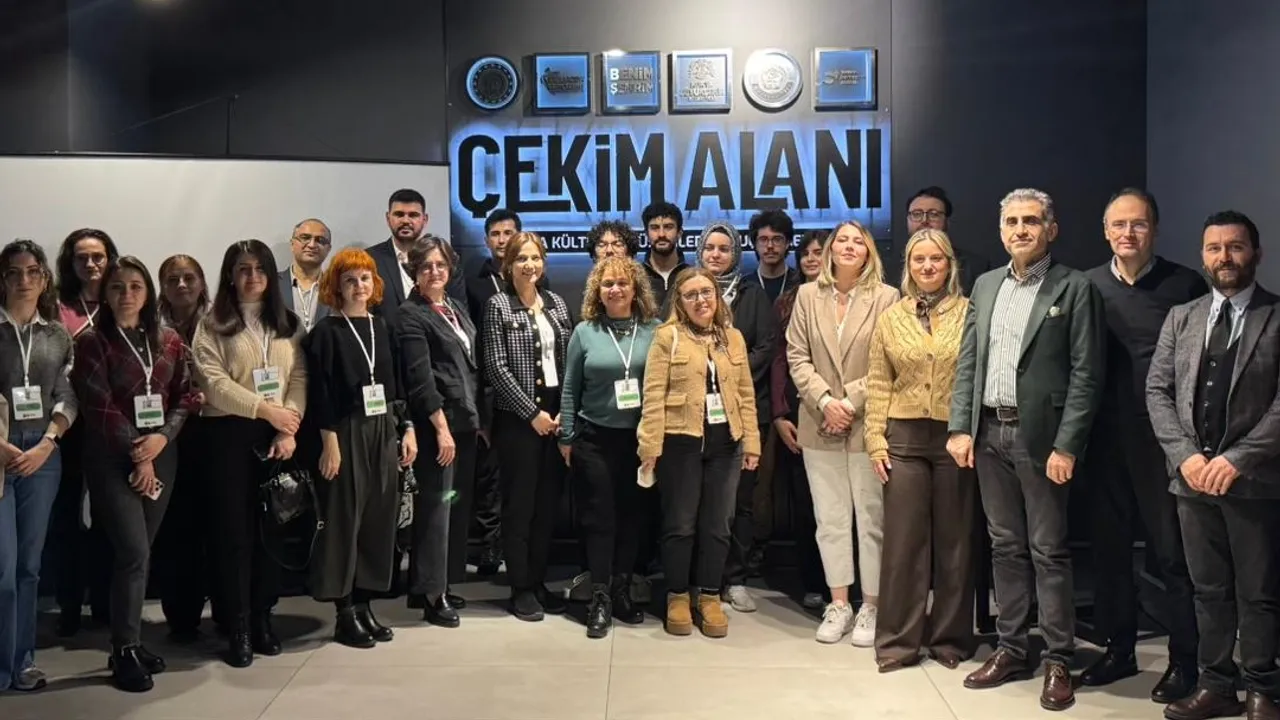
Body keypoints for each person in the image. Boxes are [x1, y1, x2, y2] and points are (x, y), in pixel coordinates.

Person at [947, 188, 1104, 713]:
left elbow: (1087, 374)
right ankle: (1012, 648)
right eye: (1012, 221)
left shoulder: (1075, 288)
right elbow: (968, 361)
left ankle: (1058, 657)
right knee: (1004, 547)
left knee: (1048, 550)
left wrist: (1068, 445)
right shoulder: (987, 285)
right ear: (1001, 231)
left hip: (1043, 441)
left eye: (1031, 221)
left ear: (1050, 229)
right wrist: (961, 427)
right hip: (989, 434)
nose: (1020, 230)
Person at [1147, 210, 1280, 720]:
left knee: (1258, 593)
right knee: (1208, 591)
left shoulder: (1275, 316)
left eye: (1235, 247)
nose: (1224, 257)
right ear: (1203, 256)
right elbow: (1157, 392)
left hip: (1255, 482)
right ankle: (1217, 685)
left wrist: (1237, 459)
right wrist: (1185, 456)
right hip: (1192, 483)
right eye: (1214, 248)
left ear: (1256, 254)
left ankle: (1263, 687)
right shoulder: (1182, 318)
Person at [1081, 188, 1206, 703]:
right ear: (1105, 231)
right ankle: (1119, 650)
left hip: (1166, 440)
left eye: (1138, 224)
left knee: (1171, 553)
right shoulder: (1087, 285)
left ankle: (1186, 660)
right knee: (1109, 550)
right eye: (1119, 224)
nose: (1128, 233)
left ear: (1154, 229)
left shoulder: (1185, 284)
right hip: (1104, 437)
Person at [71, 255, 195, 692]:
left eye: (135, 287)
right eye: (117, 287)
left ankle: (132, 643)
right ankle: (123, 648)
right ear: (105, 294)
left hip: (161, 454)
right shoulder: (91, 342)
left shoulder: (168, 340)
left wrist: (161, 438)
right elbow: (98, 405)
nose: (126, 294)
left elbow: (187, 394)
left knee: (142, 554)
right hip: (112, 458)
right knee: (132, 553)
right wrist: (138, 454)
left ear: (148, 294)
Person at [192, 239, 307, 668]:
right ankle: (237, 625)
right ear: (230, 275)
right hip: (228, 436)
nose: (252, 276)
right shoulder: (212, 324)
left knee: (270, 532)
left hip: (279, 438)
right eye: (243, 268)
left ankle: (262, 617)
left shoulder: (288, 323)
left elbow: (299, 378)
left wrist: (289, 427)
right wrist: (267, 410)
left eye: (260, 269)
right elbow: (213, 383)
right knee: (234, 536)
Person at [864, 229, 975, 672]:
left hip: (954, 438)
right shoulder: (891, 318)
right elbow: (878, 381)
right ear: (908, 266)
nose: (928, 267)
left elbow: (975, 375)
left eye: (936, 259)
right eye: (918, 260)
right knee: (903, 544)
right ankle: (897, 642)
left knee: (955, 542)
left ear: (950, 264)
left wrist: (969, 430)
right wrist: (875, 439)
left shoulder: (969, 312)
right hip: (904, 440)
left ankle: (950, 639)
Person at [786, 220, 899, 647]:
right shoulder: (806, 296)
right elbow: (797, 356)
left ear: (869, 252)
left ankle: (871, 605)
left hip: (867, 423)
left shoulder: (887, 297)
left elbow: (888, 359)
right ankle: (839, 604)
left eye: (859, 241)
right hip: (819, 424)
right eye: (843, 240)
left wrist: (848, 403)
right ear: (830, 249)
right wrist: (824, 402)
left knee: (872, 519)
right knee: (830, 520)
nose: (850, 246)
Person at [638, 267, 760, 638]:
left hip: (728, 445)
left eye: (707, 292)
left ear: (717, 296)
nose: (701, 300)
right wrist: (649, 446)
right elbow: (653, 394)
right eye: (691, 294)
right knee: (680, 524)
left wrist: (752, 442)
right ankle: (677, 595)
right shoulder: (667, 337)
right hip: (680, 442)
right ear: (679, 301)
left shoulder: (733, 338)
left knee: (718, 525)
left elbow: (745, 394)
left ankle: (709, 596)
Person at [307, 248, 416, 648]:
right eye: (350, 280)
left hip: (383, 427)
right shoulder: (325, 333)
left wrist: (407, 428)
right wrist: (329, 442)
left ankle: (365, 604)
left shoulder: (381, 327)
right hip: (346, 430)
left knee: (378, 518)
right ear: (336, 286)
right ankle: (344, 611)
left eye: (365, 278)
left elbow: (397, 384)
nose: (359, 286)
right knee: (345, 519)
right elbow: (320, 392)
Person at [559, 256, 660, 638]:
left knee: (633, 519)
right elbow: (571, 388)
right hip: (594, 440)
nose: (615, 289)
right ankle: (599, 597)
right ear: (597, 292)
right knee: (600, 520)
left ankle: (622, 590)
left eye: (622, 283)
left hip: (639, 442)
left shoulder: (655, 330)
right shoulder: (585, 332)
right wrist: (566, 436)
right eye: (607, 284)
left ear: (636, 289)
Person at [482, 232, 572, 621]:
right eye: (521, 259)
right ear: (509, 264)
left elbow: (570, 361)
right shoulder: (498, 305)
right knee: (520, 505)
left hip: (556, 416)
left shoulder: (556, 303)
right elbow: (496, 367)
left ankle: (538, 581)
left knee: (546, 505)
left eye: (535, 258)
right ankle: (520, 586)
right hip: (519, 421)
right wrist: (531, 413)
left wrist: (565, 410)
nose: (529, 265)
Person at [0, 240, 76, 692]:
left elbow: (67, 395)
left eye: (32, 271)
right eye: (14, 272)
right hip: (1, 451)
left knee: (29, 567)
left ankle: (22, 661)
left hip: (42, 458)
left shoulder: (58, 335)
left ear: (45, 279)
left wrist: (48, 443)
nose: (24, 280)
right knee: (3, 570)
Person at [398, 235, 480, 628]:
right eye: (426, 266)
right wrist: (441, 429)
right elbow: (420, 379)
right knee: (435, 510)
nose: (434, 272)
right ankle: (434, 596)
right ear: (414, 271)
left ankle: (430, 584)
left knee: (451, 505)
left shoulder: (455, 307)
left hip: (463, 421)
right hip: (437, 426)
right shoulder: (410, 314)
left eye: (441, 265)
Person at [695, 221, 776, 614]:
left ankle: (736, 578)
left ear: (736, 254)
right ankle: (701, 578)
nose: (716, 254)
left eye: (724, 248)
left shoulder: (751, 293)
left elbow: (765, 346)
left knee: (741, 502)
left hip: (743, 411)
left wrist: (727, 374)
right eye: (709, 247)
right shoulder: (688, 289)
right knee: (698, 501)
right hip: (696, 414)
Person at [51, 228, 118, 637]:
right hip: (68, 424)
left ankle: (106, 604)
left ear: (110, 259)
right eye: (82, 258)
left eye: (98, 256)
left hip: (111, 422)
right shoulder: (56, 306)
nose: (91, 264)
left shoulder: (121, 300)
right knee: (67, 517)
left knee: (110, 517)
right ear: (70, 263)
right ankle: (70, 604)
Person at [152, 255, 220, 643]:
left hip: (215, 432)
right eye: (173, 279)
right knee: (176, 529)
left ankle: (226, 609)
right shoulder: (151, 329)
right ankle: (181, 617)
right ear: (162, 286)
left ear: (202, 283)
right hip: (169, 434)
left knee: (218, 524)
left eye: (189, 278)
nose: (181, 285)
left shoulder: (220, 322)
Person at [462, 208, 526, 578]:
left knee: (518, 476)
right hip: (488, 392)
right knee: (488, 476)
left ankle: (515, 548)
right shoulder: (474, 283)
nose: (503, 240)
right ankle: (488, 549)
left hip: (527, 393)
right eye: (496, 234)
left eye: (509, 233)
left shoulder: (532, 279)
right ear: (487, 240)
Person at [770, 230, 827, 610]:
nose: (811, 258)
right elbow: (780, 359)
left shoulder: (860, 299)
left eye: (819, 252)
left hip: (847, 412)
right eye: (805, 252)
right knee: (807, 505)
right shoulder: (787, 301)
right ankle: (814, 582)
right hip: (798, 413)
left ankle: (850, 586)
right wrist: (779, 412)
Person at [368, 188, 468, 330]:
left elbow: (460, 313)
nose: (405, 221)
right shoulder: (370, 260)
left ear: (424, 219)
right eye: (399, 214)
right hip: (386, 342)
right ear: (388, 218)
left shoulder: (447, 259)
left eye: (413, 215)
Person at [902, 187, 991, 295]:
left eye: (934, 214)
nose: (924, 220)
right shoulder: (891, 269)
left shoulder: (976, 268)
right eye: (916, 214)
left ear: (947, 222)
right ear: (907, 220)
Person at [278, 219, 333, 333]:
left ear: (328, 249)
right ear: (292, 244)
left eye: (320, 240)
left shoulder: (337, 287)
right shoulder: (271, 283)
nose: (312, 245)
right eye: (305, 238)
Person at [743, 210, 802, 304]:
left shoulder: (801, 283)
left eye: (777, 239)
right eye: (763, 239)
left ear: (787, 243)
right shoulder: (743, 286)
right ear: (755, 244)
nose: (770, 246)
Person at [640, 202, 690, 309]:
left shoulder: (691, 276)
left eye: (668, 227)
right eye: (654, 227)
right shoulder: (636, 276)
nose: (661, 234)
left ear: (679, 233)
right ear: (646, 234)